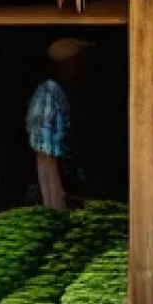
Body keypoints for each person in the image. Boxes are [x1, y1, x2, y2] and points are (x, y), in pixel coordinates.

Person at [27, 38, 94, 209]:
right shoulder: (50, 92)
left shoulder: (64, 92)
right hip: (58, 187)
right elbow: (45, 155)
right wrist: (55, 205)